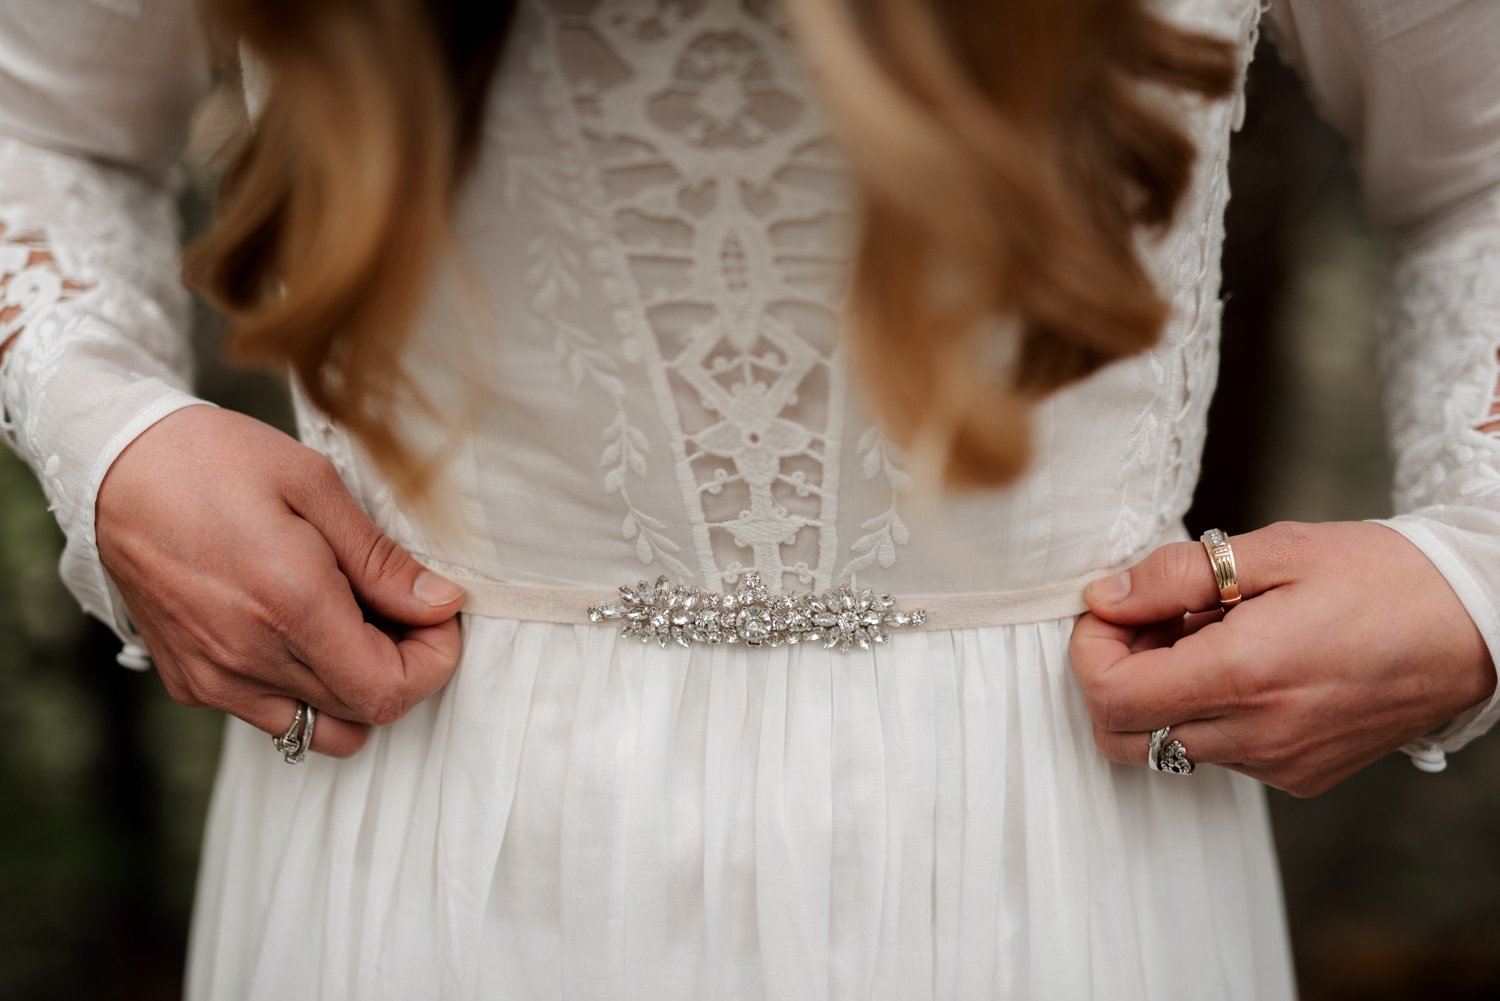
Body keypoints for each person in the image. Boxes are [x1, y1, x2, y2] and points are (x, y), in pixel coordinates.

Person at [1, 0, 1496, 998]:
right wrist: (108, 431)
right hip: (430, 823)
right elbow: (42, 118)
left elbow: (1477, 160)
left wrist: (1474, 555)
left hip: (1054, 847)